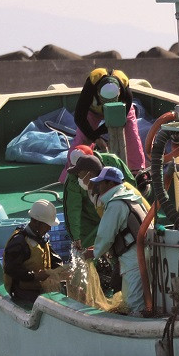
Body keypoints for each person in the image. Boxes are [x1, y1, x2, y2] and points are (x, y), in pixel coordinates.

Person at [86, 165, 152, 315]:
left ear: (110, 184)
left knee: (134, 304)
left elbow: (105, 235)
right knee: (148, 297)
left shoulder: (116, 204)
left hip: (133, 260)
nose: (98, 187)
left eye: (101, 183)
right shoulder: (132, 197)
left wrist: (94, 252)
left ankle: (139, 331)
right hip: (146, 254)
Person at [69, 68, 149, 175]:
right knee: (81, 140)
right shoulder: (90, 86)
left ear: (119, 91)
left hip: (119, 111)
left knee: (132, 138)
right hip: (93, 111)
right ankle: (73, 172)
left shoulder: (126, 93)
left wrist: (98, 136)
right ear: (97, 91)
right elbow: (79, 117)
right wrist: (95, 138)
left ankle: (137, 172)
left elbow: (119, 119)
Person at [62, 147, 135, 249]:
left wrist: (95, 251)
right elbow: (72, 209)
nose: (79, 178)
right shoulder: (110, 195)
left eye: (80, 174)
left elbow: (108, 237)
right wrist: (76, 237)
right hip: (92, 221)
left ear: (90, 174)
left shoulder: (115, 203)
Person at [2, 200, 66, 306]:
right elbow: (11, 269)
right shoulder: (19, 242)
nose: (50, 228)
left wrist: (60, 271)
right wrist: (34, 276)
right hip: (23, 292)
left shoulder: (42, 238)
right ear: (36, 223)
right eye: (47, 225)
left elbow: (54, 260)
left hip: (39, 287)